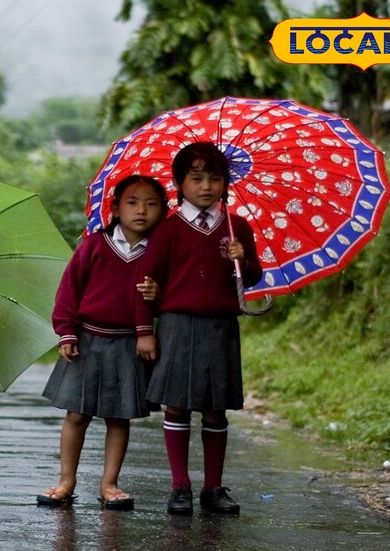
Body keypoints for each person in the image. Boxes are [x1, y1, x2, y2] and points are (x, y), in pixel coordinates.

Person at [134, 142, 262, 516]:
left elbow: (252, 276)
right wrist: (145, 329)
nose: (206, 186)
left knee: (214, 408)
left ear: (226, 182)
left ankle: (213, 487)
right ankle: (180, 487)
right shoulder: (168, 229)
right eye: (196, 178)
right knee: (176, 406)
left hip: (221, 326)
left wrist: (245, 261)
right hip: (176, 325)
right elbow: (146, 280)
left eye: (215, 178)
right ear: (179, 184)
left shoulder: (237, 227)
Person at [37, 175, 168, 510]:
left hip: (130, 344)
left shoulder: (160, 253)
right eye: (133, 202)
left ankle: (110, 483)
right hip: (86, 340)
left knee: (117, 417)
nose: (142, 211)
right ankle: (67, 480)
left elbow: (172, 296)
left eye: (152, 204)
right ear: (115, 208)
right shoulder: (95, 245)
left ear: (163, 211)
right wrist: (66, 331)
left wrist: (159, 296)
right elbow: (69, 290)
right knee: (76, 415)